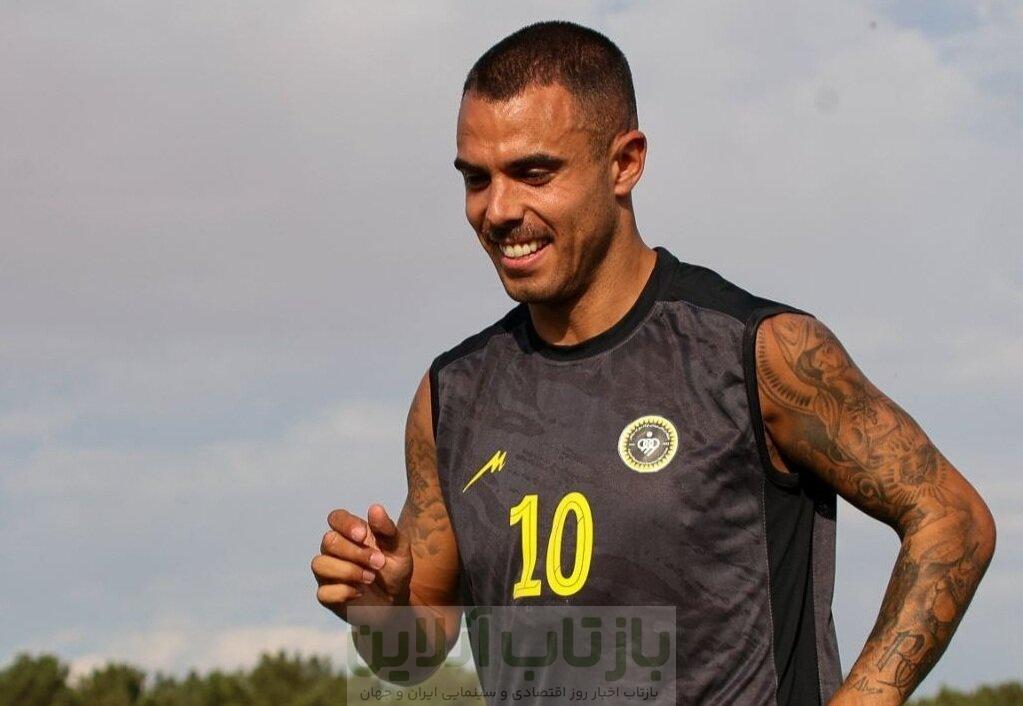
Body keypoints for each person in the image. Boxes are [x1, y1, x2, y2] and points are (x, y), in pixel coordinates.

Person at [311, 20, 996, 705]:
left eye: (533, 173)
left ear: (625, 163)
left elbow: (952, 520)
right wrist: (379, 612)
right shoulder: (451, 394)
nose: (498, 210)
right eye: (476, 179)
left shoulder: (758, 353)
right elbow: (412, 655)